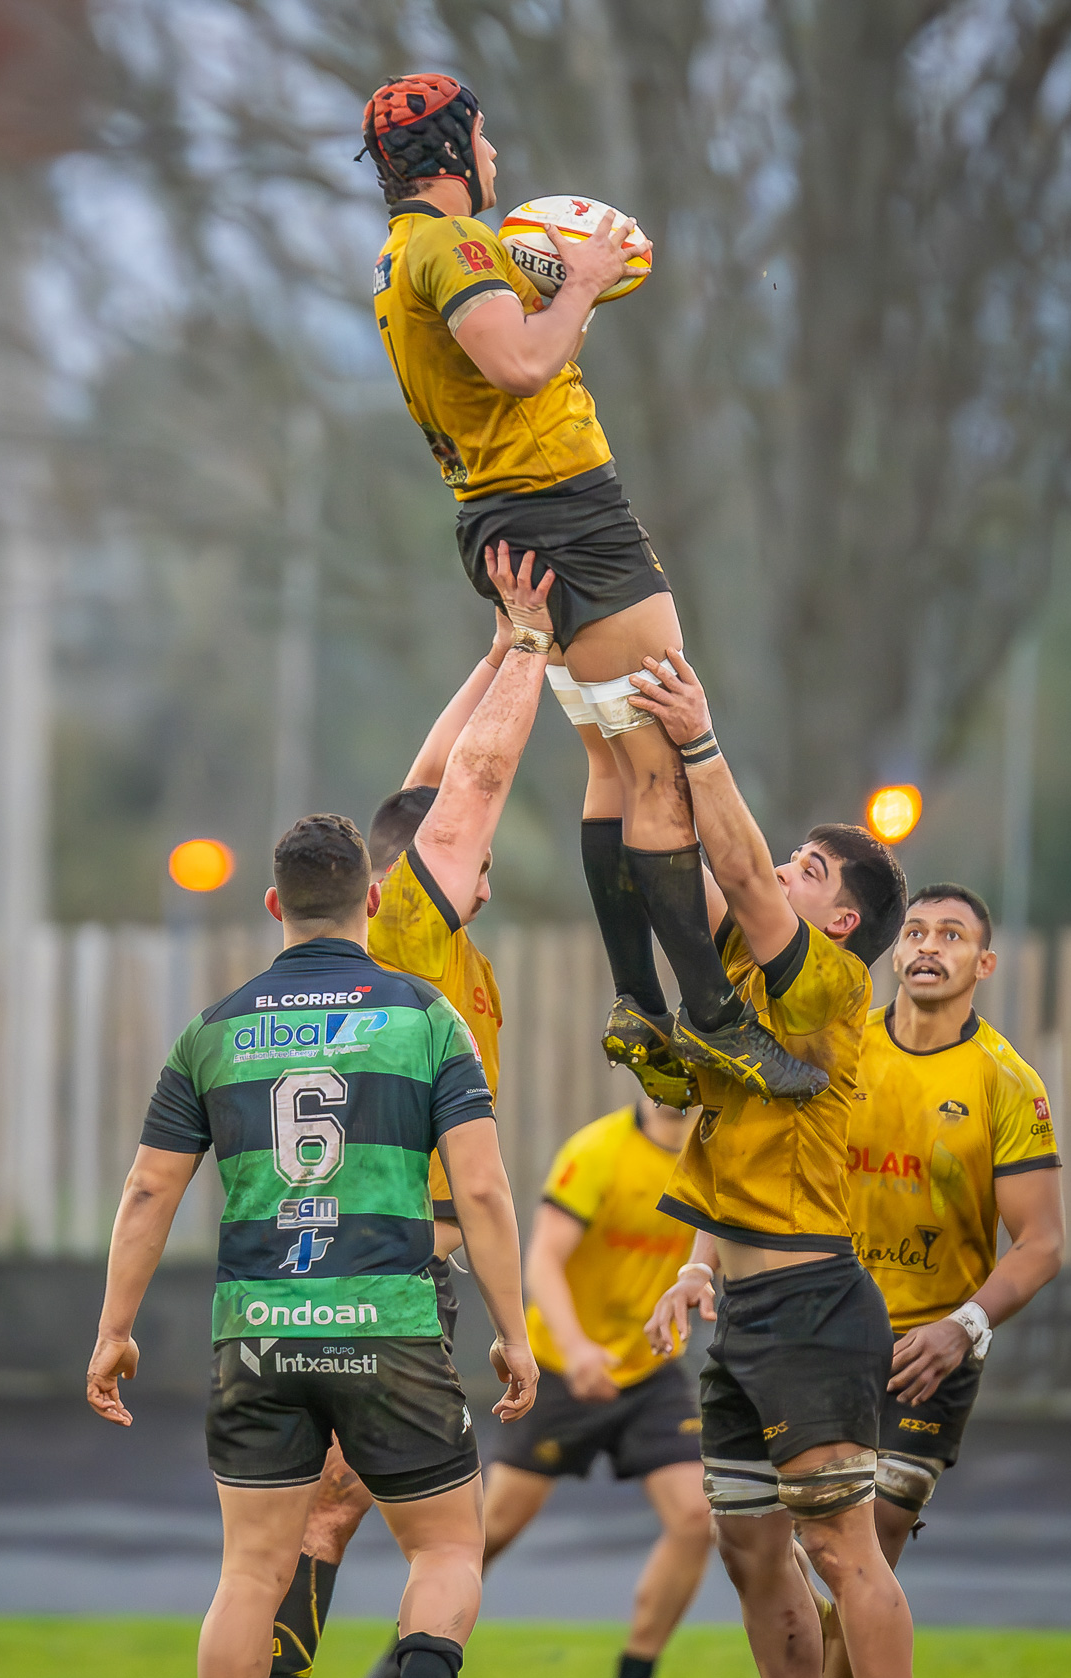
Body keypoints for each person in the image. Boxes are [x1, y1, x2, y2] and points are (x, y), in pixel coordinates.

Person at [162, 556, 556, 1678]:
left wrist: (493, 648)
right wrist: (539, 649)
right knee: (430, 1527)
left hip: (292, 1285)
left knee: (313, 1521)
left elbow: (431, 783)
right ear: (407, 880)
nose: (479, 867)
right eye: (462, 857)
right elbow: (474, 782)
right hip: (401, 1276)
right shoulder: (418, 940)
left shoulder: (397, 931)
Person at [361, 71, 825, 1107]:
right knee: (660, 769)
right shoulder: (455, 244)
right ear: (453, 150)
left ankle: (637, 1002)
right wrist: (583, 277)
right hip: (567, 521)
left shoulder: (404, 256)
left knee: (615, 774)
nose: (494, 158)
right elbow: (523, 367)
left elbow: (507, 368)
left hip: (517, 517)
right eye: (483, 139)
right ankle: (713, 1020)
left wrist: (566, 302)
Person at [87, 813, 539, 1678]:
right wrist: (514, 1331)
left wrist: (114, 1329)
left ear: (272, 905)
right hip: (388, 1323)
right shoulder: (426, 1018)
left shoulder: (214, 1029)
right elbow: (487, 1192)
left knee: (252, 1569)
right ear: (372, 901)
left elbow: (148, 1191)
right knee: (451, 1542)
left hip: (259, 1329)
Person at [633, 651, 930, 1678]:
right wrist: (622, 727)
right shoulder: (754, 996)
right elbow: (687, 868)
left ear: (840, 916)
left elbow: (741, 871)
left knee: (840, 1547)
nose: (782, 878)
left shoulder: (830, 988)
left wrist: (700, 740)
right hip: (743, 1308)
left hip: (813, 1306)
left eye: (811, 871)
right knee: (754, 1549)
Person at [815, 883, 1065, 1678]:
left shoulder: (1006, 1082)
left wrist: (963, 1328)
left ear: (981, 965)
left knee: (871, 1535)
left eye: (951, 935)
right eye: (914, 931)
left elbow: (1041, 1244)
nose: (927, 946)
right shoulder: (842, 1051)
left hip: (931, 1349)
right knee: (803, 1554)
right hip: (823, 1332)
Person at [480, 1094, 713, 1678]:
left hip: (650, 1367)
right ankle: (409, 1657)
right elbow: (545, 1261)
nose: (669, 1082)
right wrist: (579, 1348)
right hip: (563, 1365)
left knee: (697, 1518)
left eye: (682, 1067)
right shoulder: (598, 1151)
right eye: (654, 1066)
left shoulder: (712, 1157)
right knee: (490, 1529)